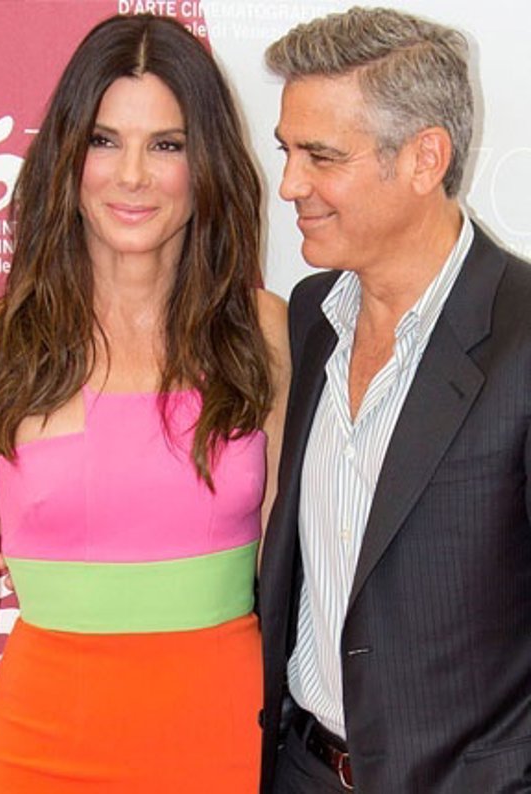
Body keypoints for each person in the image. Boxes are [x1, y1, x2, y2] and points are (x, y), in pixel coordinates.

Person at [0, 14, 289, 792]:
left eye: (167, 145)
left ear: (207, 162)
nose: (132, 175)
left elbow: (291, 569)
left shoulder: (263, 332)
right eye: (104, 140)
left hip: (226, 744)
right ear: (66, 155)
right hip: (37, 754)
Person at [258, 8, 531, 792]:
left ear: (424, 158)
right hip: (300, 769)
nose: (290, 185)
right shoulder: (310, 317)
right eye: (287, 151)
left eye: (322, 156)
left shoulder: (521, 337)